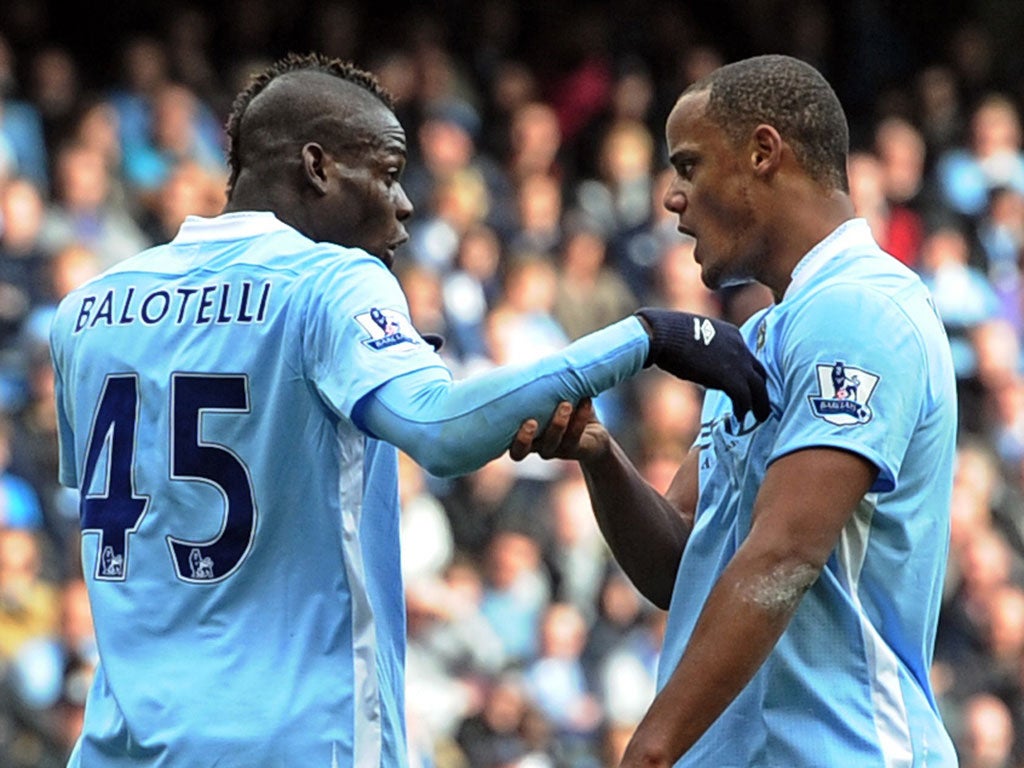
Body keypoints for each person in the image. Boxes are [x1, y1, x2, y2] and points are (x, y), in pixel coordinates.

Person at [46, 52, 768, 767]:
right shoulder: (328, 280)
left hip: (120, 747)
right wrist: (650, 335)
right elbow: (442, 429)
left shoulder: (87, 310)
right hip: (296, 743)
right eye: (388, 173)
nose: (407, 202)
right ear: (317, 168)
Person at [511, 54, 959, 766]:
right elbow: (680, 568)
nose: (672, 197)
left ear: (762, 151)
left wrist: (650, 749)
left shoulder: (861, 309)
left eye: (688, 166)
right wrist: (600, 454)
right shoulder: (760, 336)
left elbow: (786, 552)